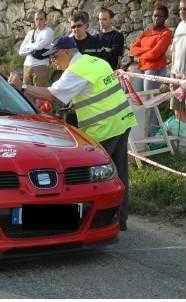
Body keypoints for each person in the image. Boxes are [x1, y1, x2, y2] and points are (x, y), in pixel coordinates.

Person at [9, 36, 137, 231]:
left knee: (96, 178)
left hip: (104, 128)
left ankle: (93, 221)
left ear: (67, 52)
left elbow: (52, 93)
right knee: (120, 174)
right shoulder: (95, 61)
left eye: (55, 56)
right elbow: (92, 91)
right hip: (122, 120)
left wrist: (22, 87)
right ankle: (120, 220)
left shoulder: (76, 70)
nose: (53, 60)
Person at [130, 5, 172, 136]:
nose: (156, 18)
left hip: (154, 70)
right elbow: (132, 48)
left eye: (160, 16)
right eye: (155, 15)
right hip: (141, 69)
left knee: (151, 102)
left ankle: (151, 134)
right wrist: (146, 51)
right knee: (138, 100)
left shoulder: (166, 33)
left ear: (165, 18)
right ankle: (139, 133)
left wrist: (141, 54)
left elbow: (156, 54)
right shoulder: (147, 32)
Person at [18, 10, 54, 87]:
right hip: (27, 66)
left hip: (41, 66)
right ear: (34, 20)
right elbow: (21, 52)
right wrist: (33, 48)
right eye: (37, 19)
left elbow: (39, 46)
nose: (39, 21)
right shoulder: (30, 33)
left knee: (39, 93)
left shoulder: (48, 32)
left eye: (41, 19)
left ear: (45, 20)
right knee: (25, 92)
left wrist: (28, 46)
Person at [170, 0, 186, 122]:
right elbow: (174, 51)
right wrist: (172, 74)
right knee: (178, 111)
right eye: (180, 9)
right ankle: (182, 140)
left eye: (184, 9)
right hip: (177, 76)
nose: (181, 12)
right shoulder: (180, 26)